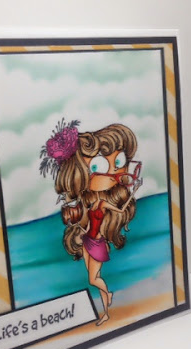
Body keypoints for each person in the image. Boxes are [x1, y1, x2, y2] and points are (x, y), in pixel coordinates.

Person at [40, 120, 142, 326]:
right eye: (98, 166)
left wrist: (134, 191)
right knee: (92, 276)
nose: (113, 173)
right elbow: (83, 219)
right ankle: (105, 302)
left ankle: (106, 305)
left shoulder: (103, 203)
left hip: (97, 242)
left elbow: (120, 209)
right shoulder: (88, 203)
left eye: (119, 162)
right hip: (88, 240)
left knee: (94, 279)